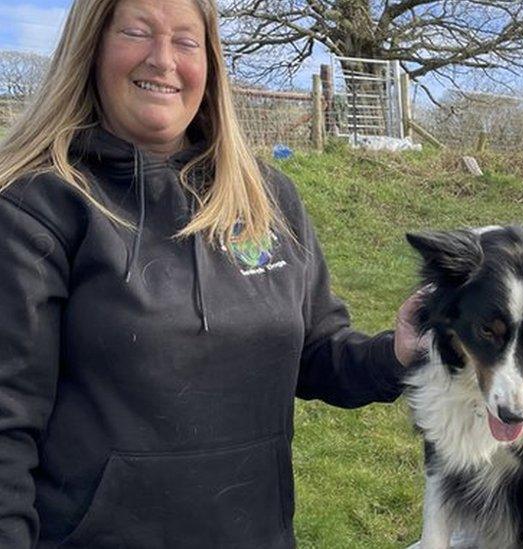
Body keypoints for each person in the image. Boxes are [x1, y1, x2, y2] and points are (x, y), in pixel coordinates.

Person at [0, 0, 425, 547]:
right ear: (91, 48)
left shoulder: (267, 198)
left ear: (211, 63)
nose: (163, 60)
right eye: (136, 31)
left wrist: (397, 352)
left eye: (185, 41)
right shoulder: (37, 208)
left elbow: (316, 352)